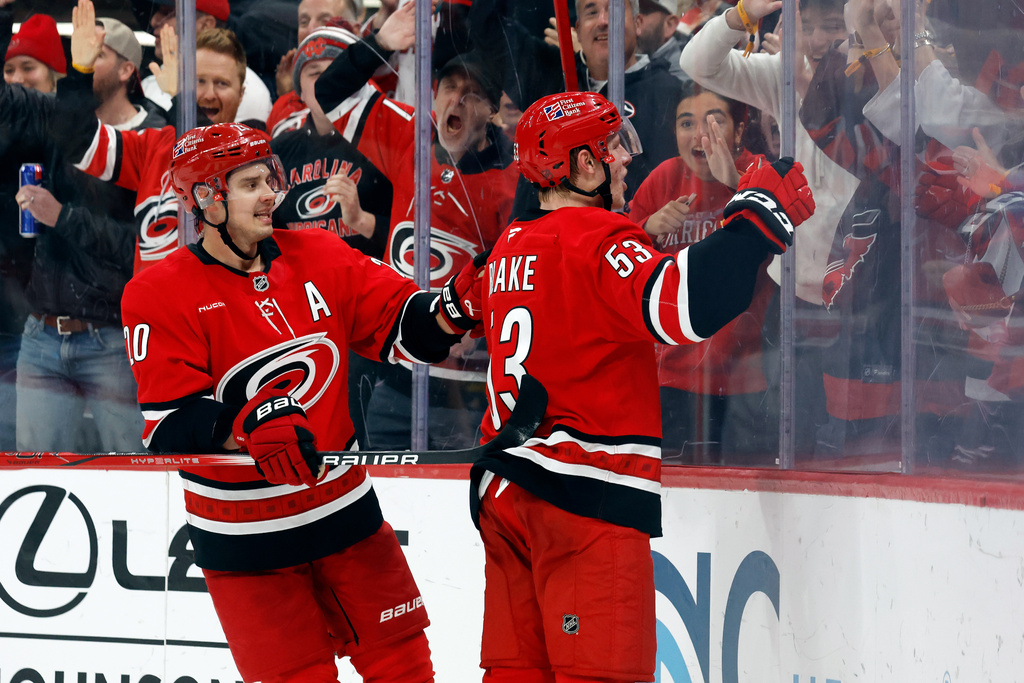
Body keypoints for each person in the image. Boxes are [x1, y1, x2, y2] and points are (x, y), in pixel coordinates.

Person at [468, 91, 813, 683]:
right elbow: (688, 304)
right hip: (581, 503)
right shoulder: (598, 236)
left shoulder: (510, 246)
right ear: (582, 165)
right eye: (612, 146)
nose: (626, 158)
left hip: (506, 499)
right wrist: (757, 216)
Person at [120, 122, 483, 683]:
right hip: (244, 533)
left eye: (270, 179)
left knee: (406, 667)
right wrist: (246, 425)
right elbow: (169, 426)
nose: (270, 193)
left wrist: (453, 308)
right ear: (207, 199)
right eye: (250, 185)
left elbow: (404, 328)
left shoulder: (320, 253)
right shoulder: (157, 292)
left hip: (344, 510)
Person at [315, 3, 519, 450]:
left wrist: (480, 323)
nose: (456, 99)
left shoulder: (512, 180)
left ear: (492, 110)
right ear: (432, 94)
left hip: (468, 387)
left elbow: (515, 269)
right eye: (448, 87)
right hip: (394, 375)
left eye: (472, 93)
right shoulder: (411, 136)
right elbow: (330, 92)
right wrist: (381, 43)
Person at [4, 5, 168, 452]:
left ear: (127, 69)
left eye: (95, 53)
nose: (83, 59)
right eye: (77, 53)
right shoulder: (60, 122)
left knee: (134, 473)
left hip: (113, 337)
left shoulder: (157, 136)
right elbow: (6, 102)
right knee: (34, 475)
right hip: (42, 332)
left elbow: (142, 246)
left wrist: (63, 217)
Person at [628, 82, 777, 464]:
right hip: (672, 379)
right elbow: (620, 268)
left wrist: (736, 184)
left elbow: (790, 247)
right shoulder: (663, 179)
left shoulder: (759, 174)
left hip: (746, 379)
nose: (699, 136)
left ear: (739, 130)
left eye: (713, 122)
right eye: (686, 123)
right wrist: (647, 230)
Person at [55, 3, 254, 274]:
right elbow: (78, 143)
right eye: (197, 81)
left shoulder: (253, 152)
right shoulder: (153, 144)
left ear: (241, 94)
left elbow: (209, 159)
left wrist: (182, 99)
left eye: (222, 83)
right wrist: (79, 74)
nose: (208, 94)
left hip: (214, 298)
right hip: (152, 298)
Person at [468, 0, 683, 213]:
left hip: (623, 232)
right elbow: (486, 27)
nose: (603, 21)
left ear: (638, 23)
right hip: (539, 231)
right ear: (577, 30)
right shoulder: (552, 74)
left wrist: (643, 225)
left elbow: (670, 183)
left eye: (614, 11)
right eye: (591, 12)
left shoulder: (670, 93)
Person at [139, 0, 274, 125]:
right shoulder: (150, 83)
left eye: (168, 13)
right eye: (199, 81)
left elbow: (218, 141)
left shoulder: (249, 86)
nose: (154, 21)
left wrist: (178, 96)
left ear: (205, 25)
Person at [636, 0, 691, 83]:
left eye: (643, 12)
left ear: (670, 25)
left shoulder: (679, 79)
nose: (635, 20)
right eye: (634, 12)